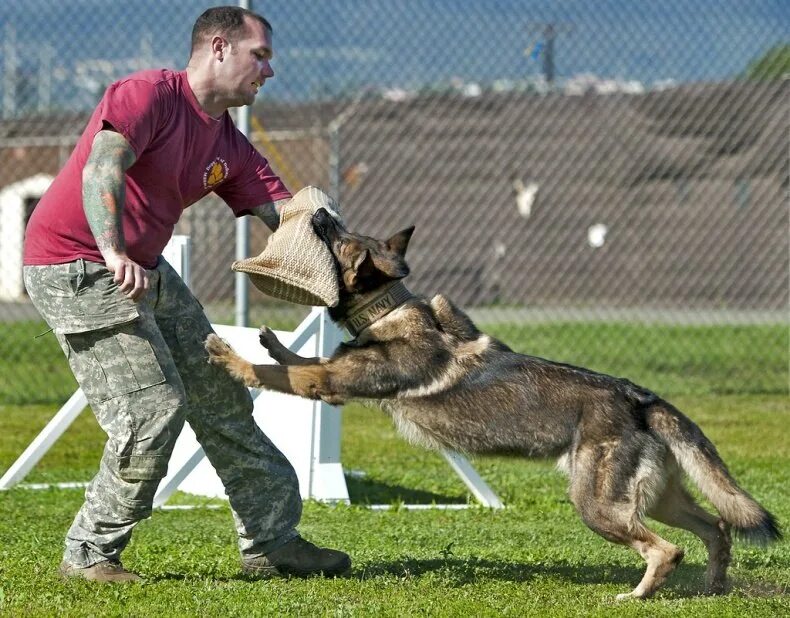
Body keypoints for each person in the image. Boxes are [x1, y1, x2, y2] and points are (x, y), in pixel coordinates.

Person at [23, 6, 350, 583]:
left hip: (140, 264)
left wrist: (348, 253)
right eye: (261, 56)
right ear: (220, 48)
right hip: (75, 262)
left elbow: (288, 218)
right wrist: (114, 252)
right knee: (152, 409)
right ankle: (89, 553)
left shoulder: (230, 144)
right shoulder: (147, 95)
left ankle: (271, 542)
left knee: (223, 392)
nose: (268, 72)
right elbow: (103, 168)